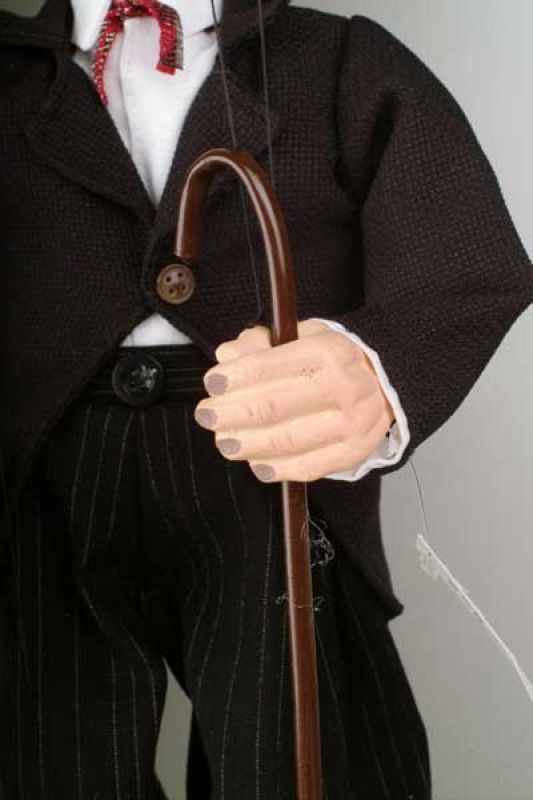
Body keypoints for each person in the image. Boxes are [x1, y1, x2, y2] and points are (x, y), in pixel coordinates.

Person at [0, 0, 531, 797]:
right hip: (39, 482)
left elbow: (462, 263)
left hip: (273, 468)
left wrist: (374, 368)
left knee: (311, 749)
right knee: (48, 745)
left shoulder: (337, 62)